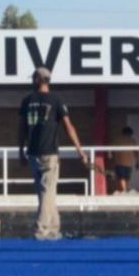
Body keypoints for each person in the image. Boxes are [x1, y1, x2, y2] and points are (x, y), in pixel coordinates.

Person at [18, 67, 89, 240]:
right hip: (49, 153)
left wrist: (21, 149)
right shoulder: (56, 100)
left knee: (47, 191)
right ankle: (41, 230)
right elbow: (69, 127)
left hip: (34, 153)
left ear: (37, 79)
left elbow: (21, 129)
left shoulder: (27, 101)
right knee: (46, 192)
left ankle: (54, 229)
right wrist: (80, 151)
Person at [111, 126, 139, 194]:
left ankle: (124, 190)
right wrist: (137, 162)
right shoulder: (132, 140)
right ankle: (125, 190)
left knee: (122, 177)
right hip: (128, 162)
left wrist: (113, 159)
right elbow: (136, 152)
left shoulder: (117, 140)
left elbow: (112, 151)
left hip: (119, 162)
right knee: (126, 177)